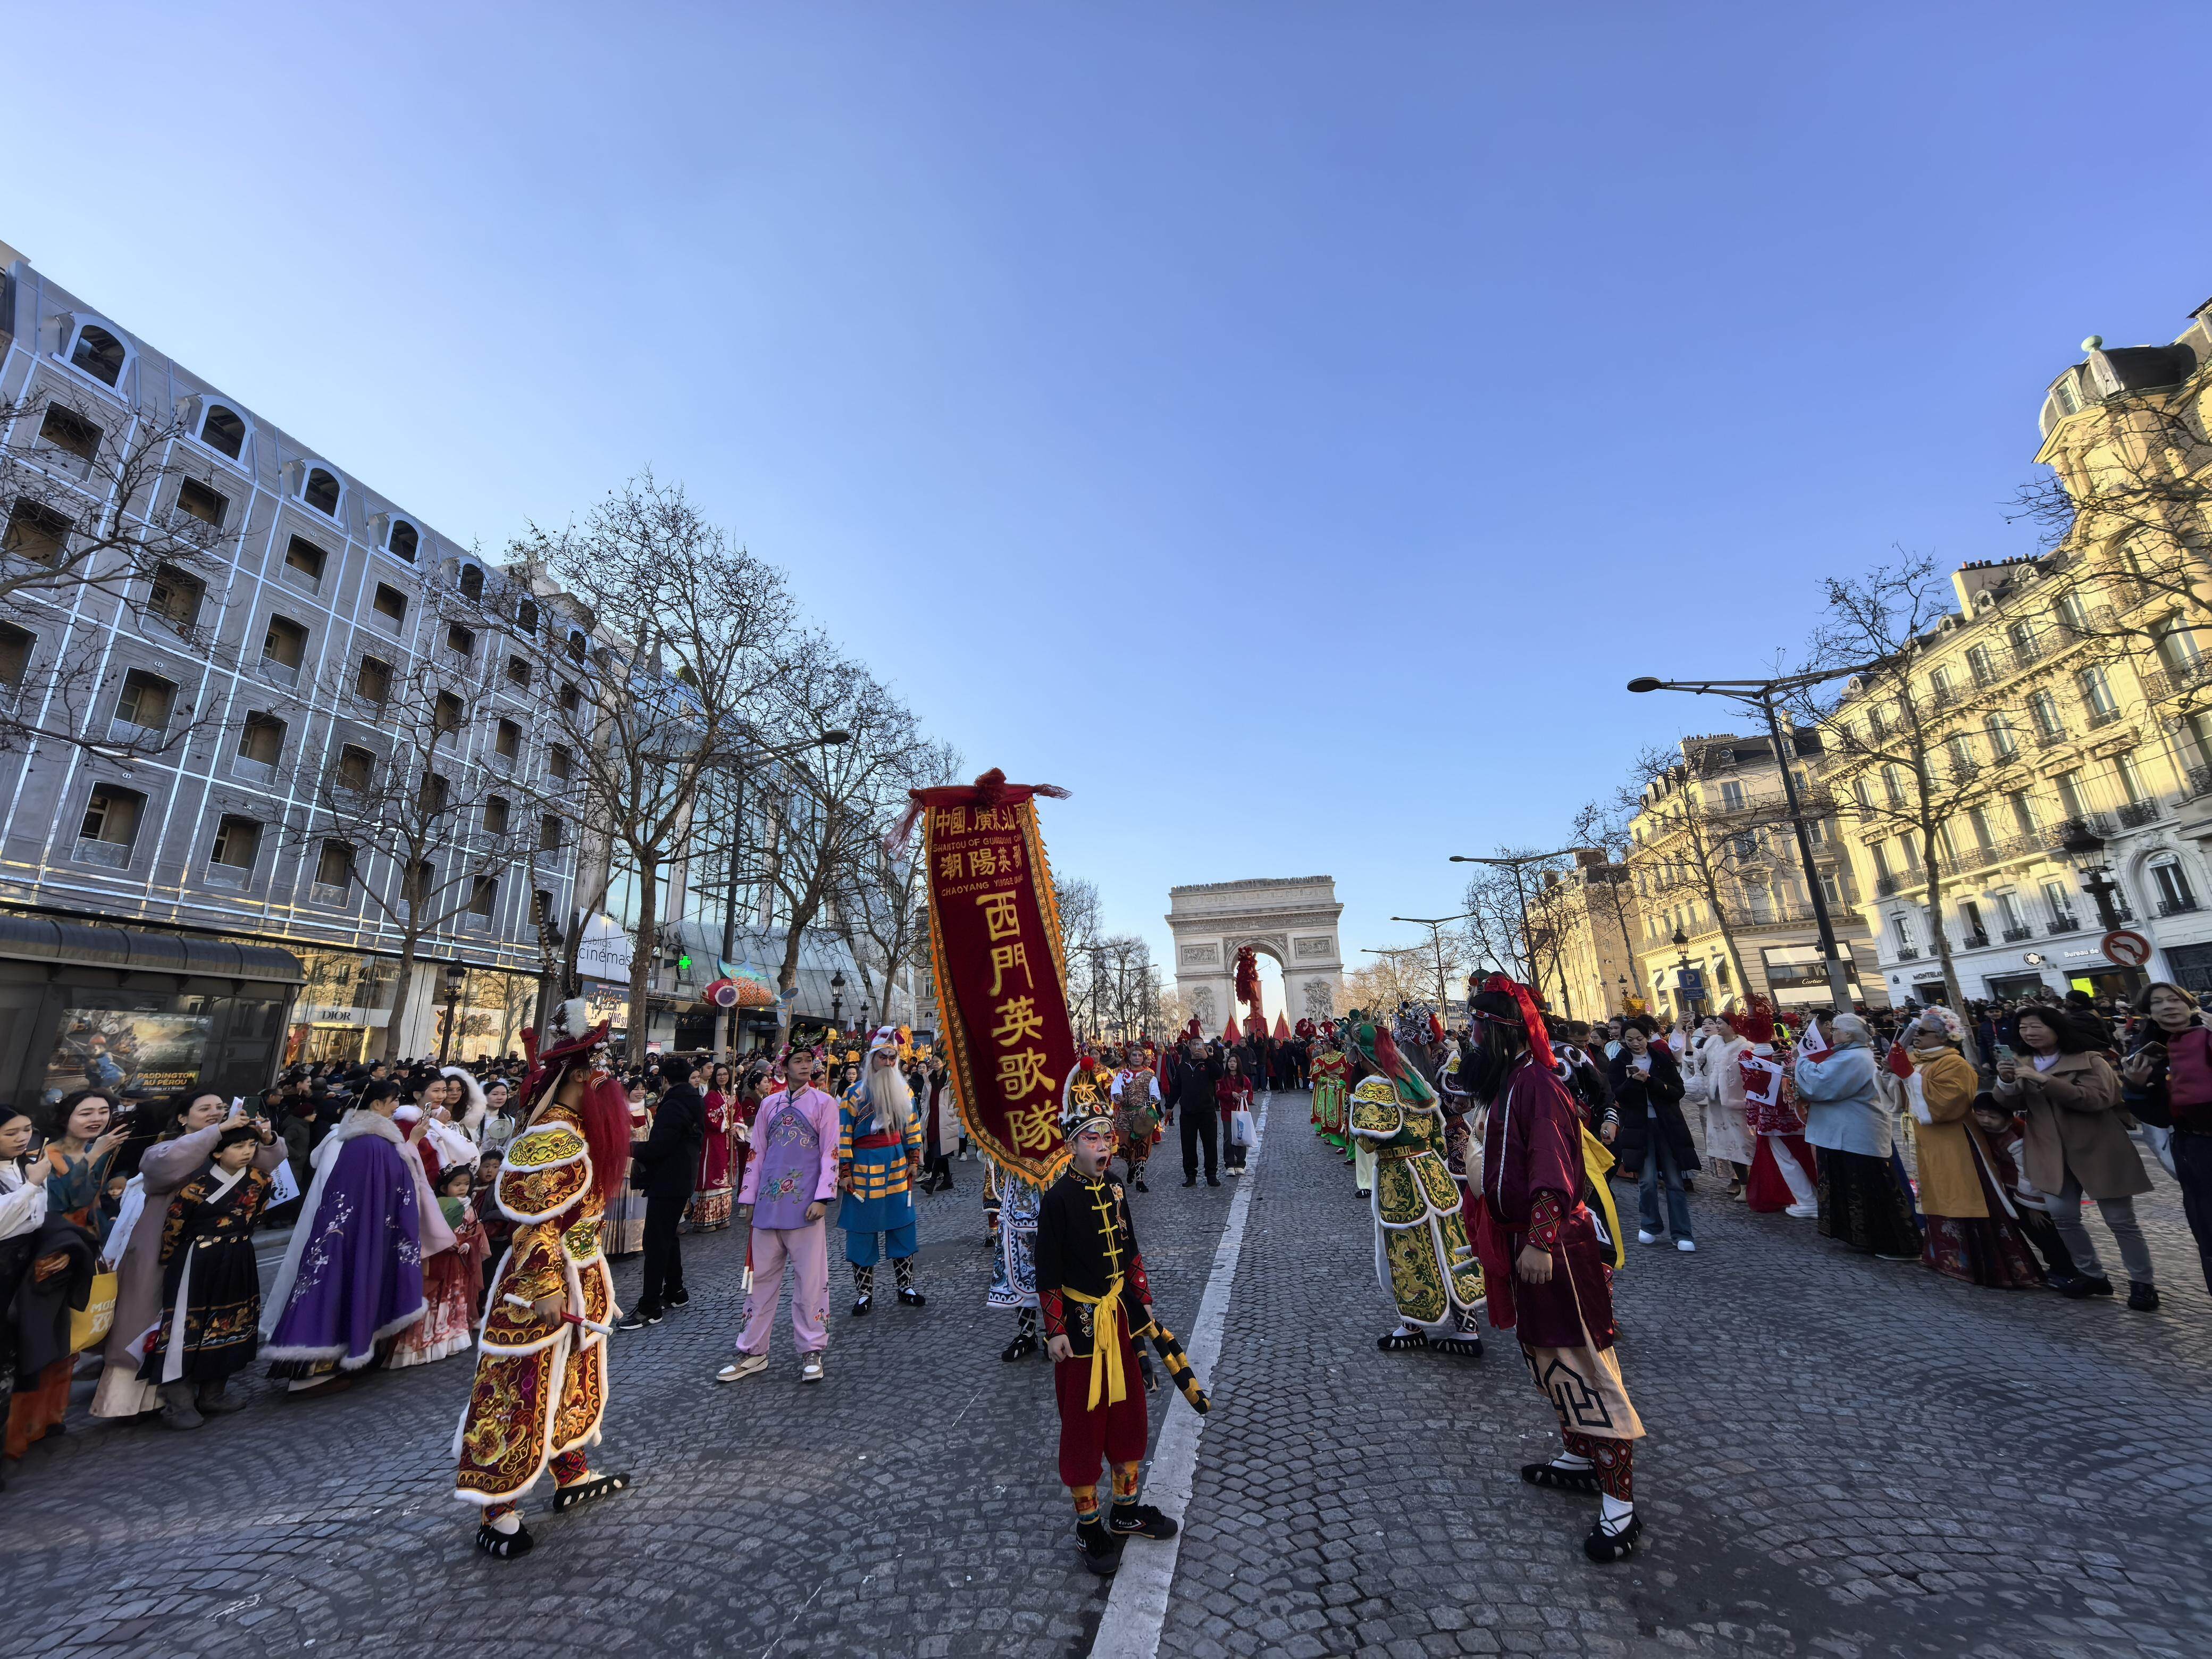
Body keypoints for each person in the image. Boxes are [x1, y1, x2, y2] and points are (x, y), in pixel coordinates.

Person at [1465, 976, 1646, 1564]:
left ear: (1500, 1030)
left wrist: (1540, 1242)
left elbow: (1552, 1166)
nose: (1469, 1038)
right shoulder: (1514, 1080)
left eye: (1476, 1027)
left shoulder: (1537, 1083)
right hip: (1524, 1243)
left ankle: (1619, 1509)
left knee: (1582, 1361)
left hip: (1555, 1250)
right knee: (1544, 1356)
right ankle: (1576, 1455)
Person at [454, 999, 635, 1557]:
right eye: (602, 1076)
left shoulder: (576, 1125)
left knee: (573, 1379)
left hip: (580, 1277)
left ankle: (571, 1470)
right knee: (519, 1389)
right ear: (579, 1077)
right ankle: (497, 1508)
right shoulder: (551, 1137)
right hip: (541, 1290)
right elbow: (534, 1226)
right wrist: (545, 1288)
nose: (611, 1087)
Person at [1035, 1065, 1179, 1577]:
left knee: (1128, 1413)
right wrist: (1054, 1331)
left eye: (1108, 1136)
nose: (1104, 1145)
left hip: (1118, 1320)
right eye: (1093, 1138)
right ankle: (1088, 1523)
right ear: (1073, 1144)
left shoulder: (1116, 1189)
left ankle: (1125, 1510)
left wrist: (1141, 1307)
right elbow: (1047, 1273)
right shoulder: (1056, 1200)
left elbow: (1131, 1253)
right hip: (1077, 1329)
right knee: (1082, 1423)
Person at [96, 1092, 288, 1420]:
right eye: (205, 1109)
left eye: (220, 1108)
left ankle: (209, 1390)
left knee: (219, 1317)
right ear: (183, 1118)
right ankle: (151, 1399)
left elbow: (265, 1168)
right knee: (163, 1318)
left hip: (227, 1247)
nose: (215, 1113)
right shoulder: (164, 1149)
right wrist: (216, 1133)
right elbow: (166, 1172)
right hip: (166, 1240)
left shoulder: (236, 1146)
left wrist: (266, 1138)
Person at [1995, 1005, 2156, 1310]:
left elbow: (2099, 1099)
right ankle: (2092, 1274)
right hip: (2048, 1149)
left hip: (2099, 1147)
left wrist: (2043, 1080)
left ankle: (2143, 1283)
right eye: (2023, 1028)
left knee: (2121, 1221)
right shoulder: (2022, 1062)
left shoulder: (2091, 1059)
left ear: (2057, 1028)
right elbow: (2010, 1102)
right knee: (2064, 1218)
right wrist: (2006, 1081)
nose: (2029, 1033)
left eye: (2036, 1027)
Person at [1343, 1012, 1485, 1356]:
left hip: (1400, 1178)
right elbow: (1436, 1129)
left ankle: (1413, 1324)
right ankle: (1467, 1328)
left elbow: (1369, 1142)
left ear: (1360, 1055)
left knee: (1408, 1248)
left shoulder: (1373, 1087)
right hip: (1435, 1173)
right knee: (1452, 1244)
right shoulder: (1413, 1078)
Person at [5, 1092, 124, 1457]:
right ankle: (22, 1428)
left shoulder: (101, 1147)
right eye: (85, 1112)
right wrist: (93, 1157)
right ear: (65, 1116)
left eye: (103, 1111)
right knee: (34, 1343)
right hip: (46, 1249)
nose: (96, 1118)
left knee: (66, 1339)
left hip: (80, 1246)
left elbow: (93, 1198)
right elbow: (64, 1200)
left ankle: (50, 1417)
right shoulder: (48, 1155)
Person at [136, 1121, 277, 1425]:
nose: (247, 1152)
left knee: (232, 1321)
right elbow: (173, 1228)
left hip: (238, 1254)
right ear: (216, 1154)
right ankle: (179, 1402)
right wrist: (170, 1260)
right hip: (196, 1258)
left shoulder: (261, 1179)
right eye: (238, 1147)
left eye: (251, 1146)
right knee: (187, 1326)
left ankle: (214, 1393)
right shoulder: (193, 1187)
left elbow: (258, 1216)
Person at [718, 1048, 841, 1385]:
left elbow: (832, 1150)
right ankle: (753, 1350)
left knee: (810, 1281)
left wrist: (823, 1197)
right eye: (798, 1061)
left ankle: (812, 1349)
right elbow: (756, 1152)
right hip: (767, 1205)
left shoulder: (823, 1103)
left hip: (806, 1207)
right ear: (783, 1067)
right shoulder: (769, 1105)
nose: (805, 1066)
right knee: (759, 1283)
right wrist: (748, 1198)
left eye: (808, 1061)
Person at [1902, 1012, 2040, 1289]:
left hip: (1956, 1141)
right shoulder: (1919, 1060)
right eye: (1917, 1032)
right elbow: (1902, 1098)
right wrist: (1894, 1074)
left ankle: (1981, 1262)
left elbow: (1945, 1105)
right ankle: (1942, 1256)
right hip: (1930, 1141)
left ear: (1943, 1037)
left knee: (1962, 1191)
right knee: (1938, 1190)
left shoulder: (1955, 1064)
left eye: (1923, 1032)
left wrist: (1908, 1077)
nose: (1916, 1036)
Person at [1796, 1015, 1921, 1261]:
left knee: (1872, 1188)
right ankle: (1863, 1236)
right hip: (1845, 1132)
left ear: (1851, 1035)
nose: (1833, 1033)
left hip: (1856, 1132)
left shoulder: (1854, 1057)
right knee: (1853, 1187)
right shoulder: (1847, 1055)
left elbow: (1820, 1087)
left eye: (1837, 1029)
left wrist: (1801, 1061)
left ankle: (1894, 1243)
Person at [2118, 980, 2212, 1294]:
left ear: (2189, 1004)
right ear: (2149, 1013)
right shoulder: (2148, 1054)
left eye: (2174, 999)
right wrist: (2136, 1087)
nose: (2168, 1006)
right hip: (2199, 1149)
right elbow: (2158, 1118)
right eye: (2157, 1003)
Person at [838, 1029, 927, 1314]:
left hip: (896, 1164)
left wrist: (914, 1158)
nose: (888, 1062)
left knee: (902, 1224)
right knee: (862, 1229)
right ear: (872, 1059)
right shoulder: (853, 1095)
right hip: (863, 1167)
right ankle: (864, 1293)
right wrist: (845, 1170)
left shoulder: (906, 1092)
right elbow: (843, 1135)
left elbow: (912, 1128)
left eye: (892, 1057)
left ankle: (906, 1286)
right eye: (883, 1057)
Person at [619, 1055, 706, 1329]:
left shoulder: (672, 1106)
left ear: (665, 1080)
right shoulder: (694, 1100)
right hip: (682, 1177)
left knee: (655, 1241)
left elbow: (659, 1148)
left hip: (669, 1180)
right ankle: (676, 1291)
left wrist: (629, 1148)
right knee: (668, 1236)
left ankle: (650, 1306)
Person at [390, 1162, 493, 1368]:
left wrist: (467, 1244)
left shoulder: (470, 1208)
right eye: (457, 1184)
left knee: (455, 1299)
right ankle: (421, 1346)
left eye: (466, 1184)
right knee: (434, 1299)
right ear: (445, 1188)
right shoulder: (434, 1206)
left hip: (459, 1263)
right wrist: (445, 1242)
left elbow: (475, 1233)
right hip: (438, 1260)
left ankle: (450, 1340)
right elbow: (427, 1232)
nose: (463, 1188)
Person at [1610, 1021, 1696, 1251]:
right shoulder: (1619, 1063)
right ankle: (1650, 1225)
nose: (1636, 1044)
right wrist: (1633, 1082)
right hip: (1639, 1126)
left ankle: (1682, 1233)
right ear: (1624, 1040)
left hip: (1667, 1125)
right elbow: (1616, 1095)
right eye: (1630, 1039)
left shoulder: (1661, 1059)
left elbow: (1678, 1091)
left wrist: (1650, 1081)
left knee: (1674, 1181)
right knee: (1646, 1181)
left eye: (1639, 1038)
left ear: (1647, 1037)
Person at [1735, 1000, 1818, 1218]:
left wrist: (1753, 1118)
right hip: (1795, 1114)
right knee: (1805, 1156)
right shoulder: (1785, 1051)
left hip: (1772, 1117)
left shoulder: (1747, 1057)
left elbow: (1752, 1091)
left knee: (1787, 1160)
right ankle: (1814, 1197)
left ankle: (1807, 1200)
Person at [689, 1062, 738, 1231]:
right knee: (713, 1174)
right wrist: (726, 1106)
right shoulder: (711, 1096)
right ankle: (705, 1220)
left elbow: (737, 1114)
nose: (722, 1077)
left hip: (728, 1141)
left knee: (725, 1177)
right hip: (714, 1140)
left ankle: (722, 1216)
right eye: (719, 1075)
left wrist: (736, 1127)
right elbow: (710, 1116)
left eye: (725, 1074)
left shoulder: (730, 1094)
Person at [1169, 1034, 1221, 1187]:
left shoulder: (1209, 1063)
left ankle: (1211, 1174)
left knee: (1210, 1144)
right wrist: (1169, 1106)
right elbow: (1177, 1087)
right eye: (1195, 1045)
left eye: (1200, 1045)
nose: (1197, 1047)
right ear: (1189, 1047)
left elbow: (1219, 1075)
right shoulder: (1183, 1066)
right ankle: (1190, 1174)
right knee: (1188, 1145)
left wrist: (1208, 1059)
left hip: (1207, 1111)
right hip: (1187, 1112)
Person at [1110, 1049, 1162, 1192]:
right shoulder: (1122, 1075)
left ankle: (1140, 1180)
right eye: (1134, 1055)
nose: (1137, 1058)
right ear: (1130, 1057)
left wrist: (1145, 1106)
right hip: (1126, 1114)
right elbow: (1115, 1091)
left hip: (1142, 1116)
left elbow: (1155, 1096)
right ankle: (1131, 1166)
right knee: (1123, 1149)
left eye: (1140, 1055)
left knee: (1142, 1147)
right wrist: (1118, 1097)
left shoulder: (1149, 1076)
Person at [1309, 1029, 1351, 1157]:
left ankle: (1345, 1142)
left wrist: (1341, 1082)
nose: (1324, 1047)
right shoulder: (1322, 1059)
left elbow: (1347, 1072)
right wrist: (1326, 1080)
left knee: (1341, 1114)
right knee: (1330, 1115)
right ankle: (1334, 1139)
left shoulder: (1342, 1057)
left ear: (1331, 1045)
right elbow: (1315, 1076)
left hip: (1340, 1090)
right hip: (1328, 1090)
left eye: (1326, 1045)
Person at [1216, 1055, 1254, 1175]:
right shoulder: (1222, 1079)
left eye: (1234, 1062)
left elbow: (1250, 1093)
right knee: (1228, 1137)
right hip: (1227, 1112)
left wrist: (1244, 1097)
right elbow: (1218, 1093)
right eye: (1230, 1062)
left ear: (1238, 1064)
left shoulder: (1244, 1079)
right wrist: (1231, 1094)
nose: (1232, 1064)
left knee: (1241, 1138)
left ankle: (1241, 1163)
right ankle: (1230, 1163)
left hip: (1240, 1112)